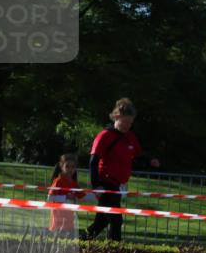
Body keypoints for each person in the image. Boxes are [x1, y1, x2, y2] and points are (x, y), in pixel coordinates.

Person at [82, 98, 159, 241]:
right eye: (126, 122)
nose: (128, 126)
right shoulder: (104, 136)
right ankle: (116, 251)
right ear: (116, 117)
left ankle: (78, 242)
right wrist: (96, 186)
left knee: (101, 222)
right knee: (116, 220)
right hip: (106, 184)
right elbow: (93, 162)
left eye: (131, 123)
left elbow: (138, 155)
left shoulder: (130, 137)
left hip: (118, 186)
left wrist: (150, 160)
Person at [47, 153, 82, 233]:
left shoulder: (74, 184)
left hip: (70, 223)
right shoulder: (58, 181)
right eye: (67, 166)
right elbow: (50, 197)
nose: (70, 169)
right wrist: (66, 197)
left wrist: (97, 195)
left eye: (73, 167)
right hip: (58, 223)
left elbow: (83, 196)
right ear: (61, 166)